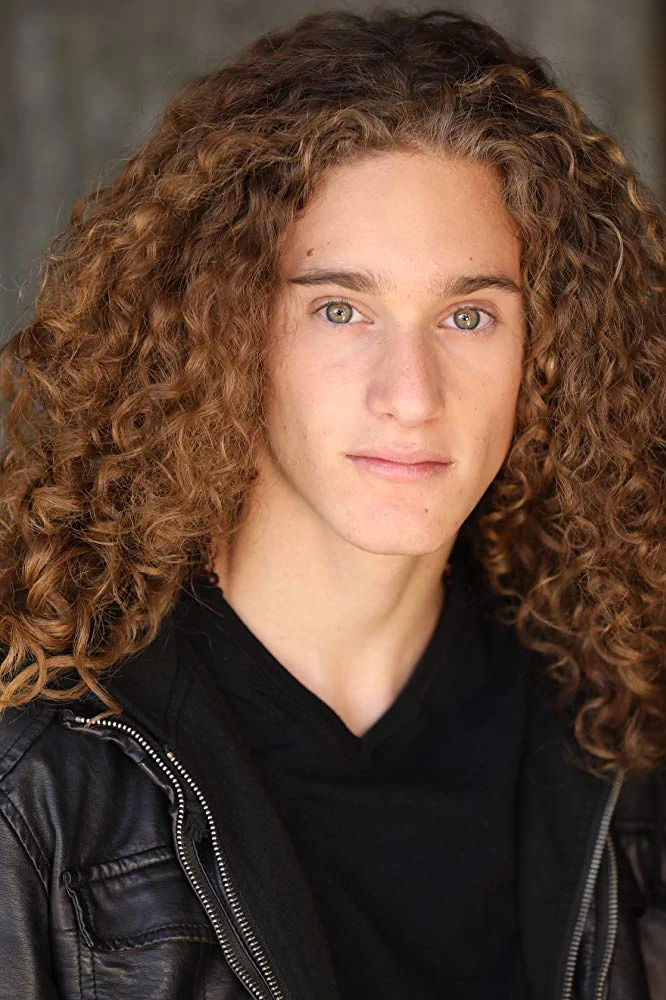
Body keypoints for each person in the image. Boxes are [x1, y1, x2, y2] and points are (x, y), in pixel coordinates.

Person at [0, 6, 663, 999]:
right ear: (229, 328)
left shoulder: (623, 730)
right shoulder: (36, 775)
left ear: (549, 346)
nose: (411, 394)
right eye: (340, 308)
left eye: (469, 315)